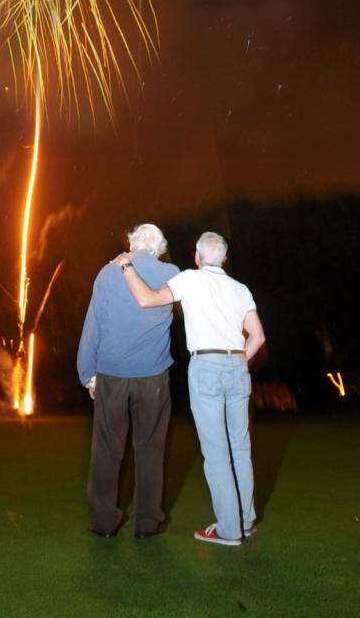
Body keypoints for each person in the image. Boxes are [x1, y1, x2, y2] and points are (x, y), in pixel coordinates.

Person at [112, 230, 265, 547]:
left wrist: (127, 266)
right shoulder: (240, 289)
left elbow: (146, 299)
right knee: (240, 448)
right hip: (237, 366)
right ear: (224, 258)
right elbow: (258, 337)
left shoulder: (189, 280)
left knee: (216, 452)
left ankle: (229, 529)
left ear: (197, 257)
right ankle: (246, 521)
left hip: (206, 367)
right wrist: (237, 364)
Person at [77, 223, 179, 538]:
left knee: (106, 449)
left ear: (132, 244)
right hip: (153, 377)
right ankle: (148, 523)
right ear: (159, 247)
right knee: (150, 448)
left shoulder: (108, 273)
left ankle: (105, 521)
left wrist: (88, 374)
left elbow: (92, 323)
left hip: (112, 374)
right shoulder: (172, 272)